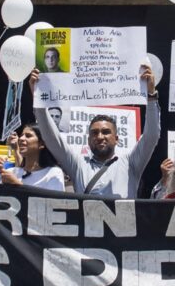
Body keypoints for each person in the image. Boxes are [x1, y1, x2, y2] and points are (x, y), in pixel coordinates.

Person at [31, 66, 159, 197]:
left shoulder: (130, 163)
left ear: (117, 139)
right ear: (88, 140)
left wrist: (151, 97)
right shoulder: (77, 165)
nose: (100, 136)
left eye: (106, 132)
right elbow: (52, 139)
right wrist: (39, 101)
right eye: (94, 133)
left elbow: (151, 136)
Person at [0, 124, 66, 191]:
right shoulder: (11, 172)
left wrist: (17, 185)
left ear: (42, 143)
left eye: (28, 136)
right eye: (21, 135)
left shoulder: (53, 173)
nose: (21, 138)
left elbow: (54, 203)